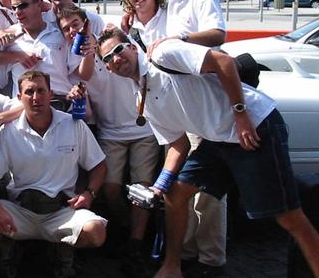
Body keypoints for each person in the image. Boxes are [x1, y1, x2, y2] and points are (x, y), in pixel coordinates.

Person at [96, 29, 319, 278]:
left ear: (133, 48)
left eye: (118, 50)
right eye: (107, 59)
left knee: (288, 217)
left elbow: (222, 61)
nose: (115, 59)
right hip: (219, 141)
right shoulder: (142, 99)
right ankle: (171, 268)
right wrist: (158, 187)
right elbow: (178, 145)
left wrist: (240, 113)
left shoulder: (162, 54)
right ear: (108, 69)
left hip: (255, 125)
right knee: (175, 194)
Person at [0, 71, 108, 278]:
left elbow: (99, 165)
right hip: (19, 212)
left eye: (41, 91)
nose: (35, 97)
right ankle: (7, 245)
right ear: (19, 97)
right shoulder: (9, 131)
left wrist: (90, 193)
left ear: (51, 94)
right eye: (29, 92)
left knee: (96, 232)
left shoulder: (73, 125)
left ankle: (62, 249)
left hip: (61, 211)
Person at [58, 6, 160, 278]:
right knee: (111, 190)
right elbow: (87, 77)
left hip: (144, 129)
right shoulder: (75, 60)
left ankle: (136, 245)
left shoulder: (116, 42)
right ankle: (129, 229)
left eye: (76, 24)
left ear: (87, 22)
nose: (73, 32)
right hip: (110, 132)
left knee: (142, 189)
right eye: (67, 29)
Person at [154, 0, 229, 277]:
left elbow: (217, 35)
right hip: (181, 110)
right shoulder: (169, 2)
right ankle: (185, 253)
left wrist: (180, 41)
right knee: (183, 189)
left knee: (208, 193)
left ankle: (212, 260)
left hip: (208, 109)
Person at [0, 0, 92, 103]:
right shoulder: (11, 38)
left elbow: (83, 75)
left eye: (23, 6)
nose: (17, 12)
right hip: (23, 109)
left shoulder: (60, 34)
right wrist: (17, 55)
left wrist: (89, 52)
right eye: (14, 8)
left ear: (39, 5)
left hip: (61, 104)